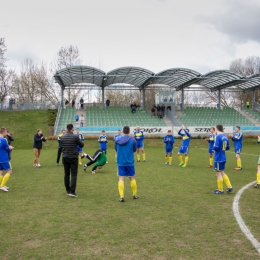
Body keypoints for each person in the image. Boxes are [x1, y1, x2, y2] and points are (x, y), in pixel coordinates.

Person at [115, 125, 138, 202]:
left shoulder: (117, 140)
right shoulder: (133, 140)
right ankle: (134, 195)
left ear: (122, 131)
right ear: (129, 131)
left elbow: (116, 149)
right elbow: (134, 149)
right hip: (130, 162)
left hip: (120, 162)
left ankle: (122, 197)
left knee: (121, 178)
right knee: (132, 177)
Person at [61, 124, 84, 197]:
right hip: (73, 157)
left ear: (67, 128)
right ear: (72, 129)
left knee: (66, 174)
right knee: (74, 174)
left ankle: (67, 190)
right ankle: (72, 191)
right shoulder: (75, 137)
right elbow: (81, 145)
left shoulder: (63, 137)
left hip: (65, 156)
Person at [212, 124, 233, 194]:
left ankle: (220, 190)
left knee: (218, 174)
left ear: (217, 129)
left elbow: (216, 147)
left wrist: (213, 149)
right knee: (222, 172)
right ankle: (229, 186)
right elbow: (228, 147)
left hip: (218, 158)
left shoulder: (217, 136)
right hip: (223, 157)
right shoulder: (225, 136)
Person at [0, 127, 14, 192]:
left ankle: (1, 185)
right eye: (6, 132)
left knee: (1, 172)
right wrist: (10, 148)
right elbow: (7, 149)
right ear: (3, 132)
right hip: (4, 159)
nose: (7, 133)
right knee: (10, 171)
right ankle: (2, 186)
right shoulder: (4, 139)